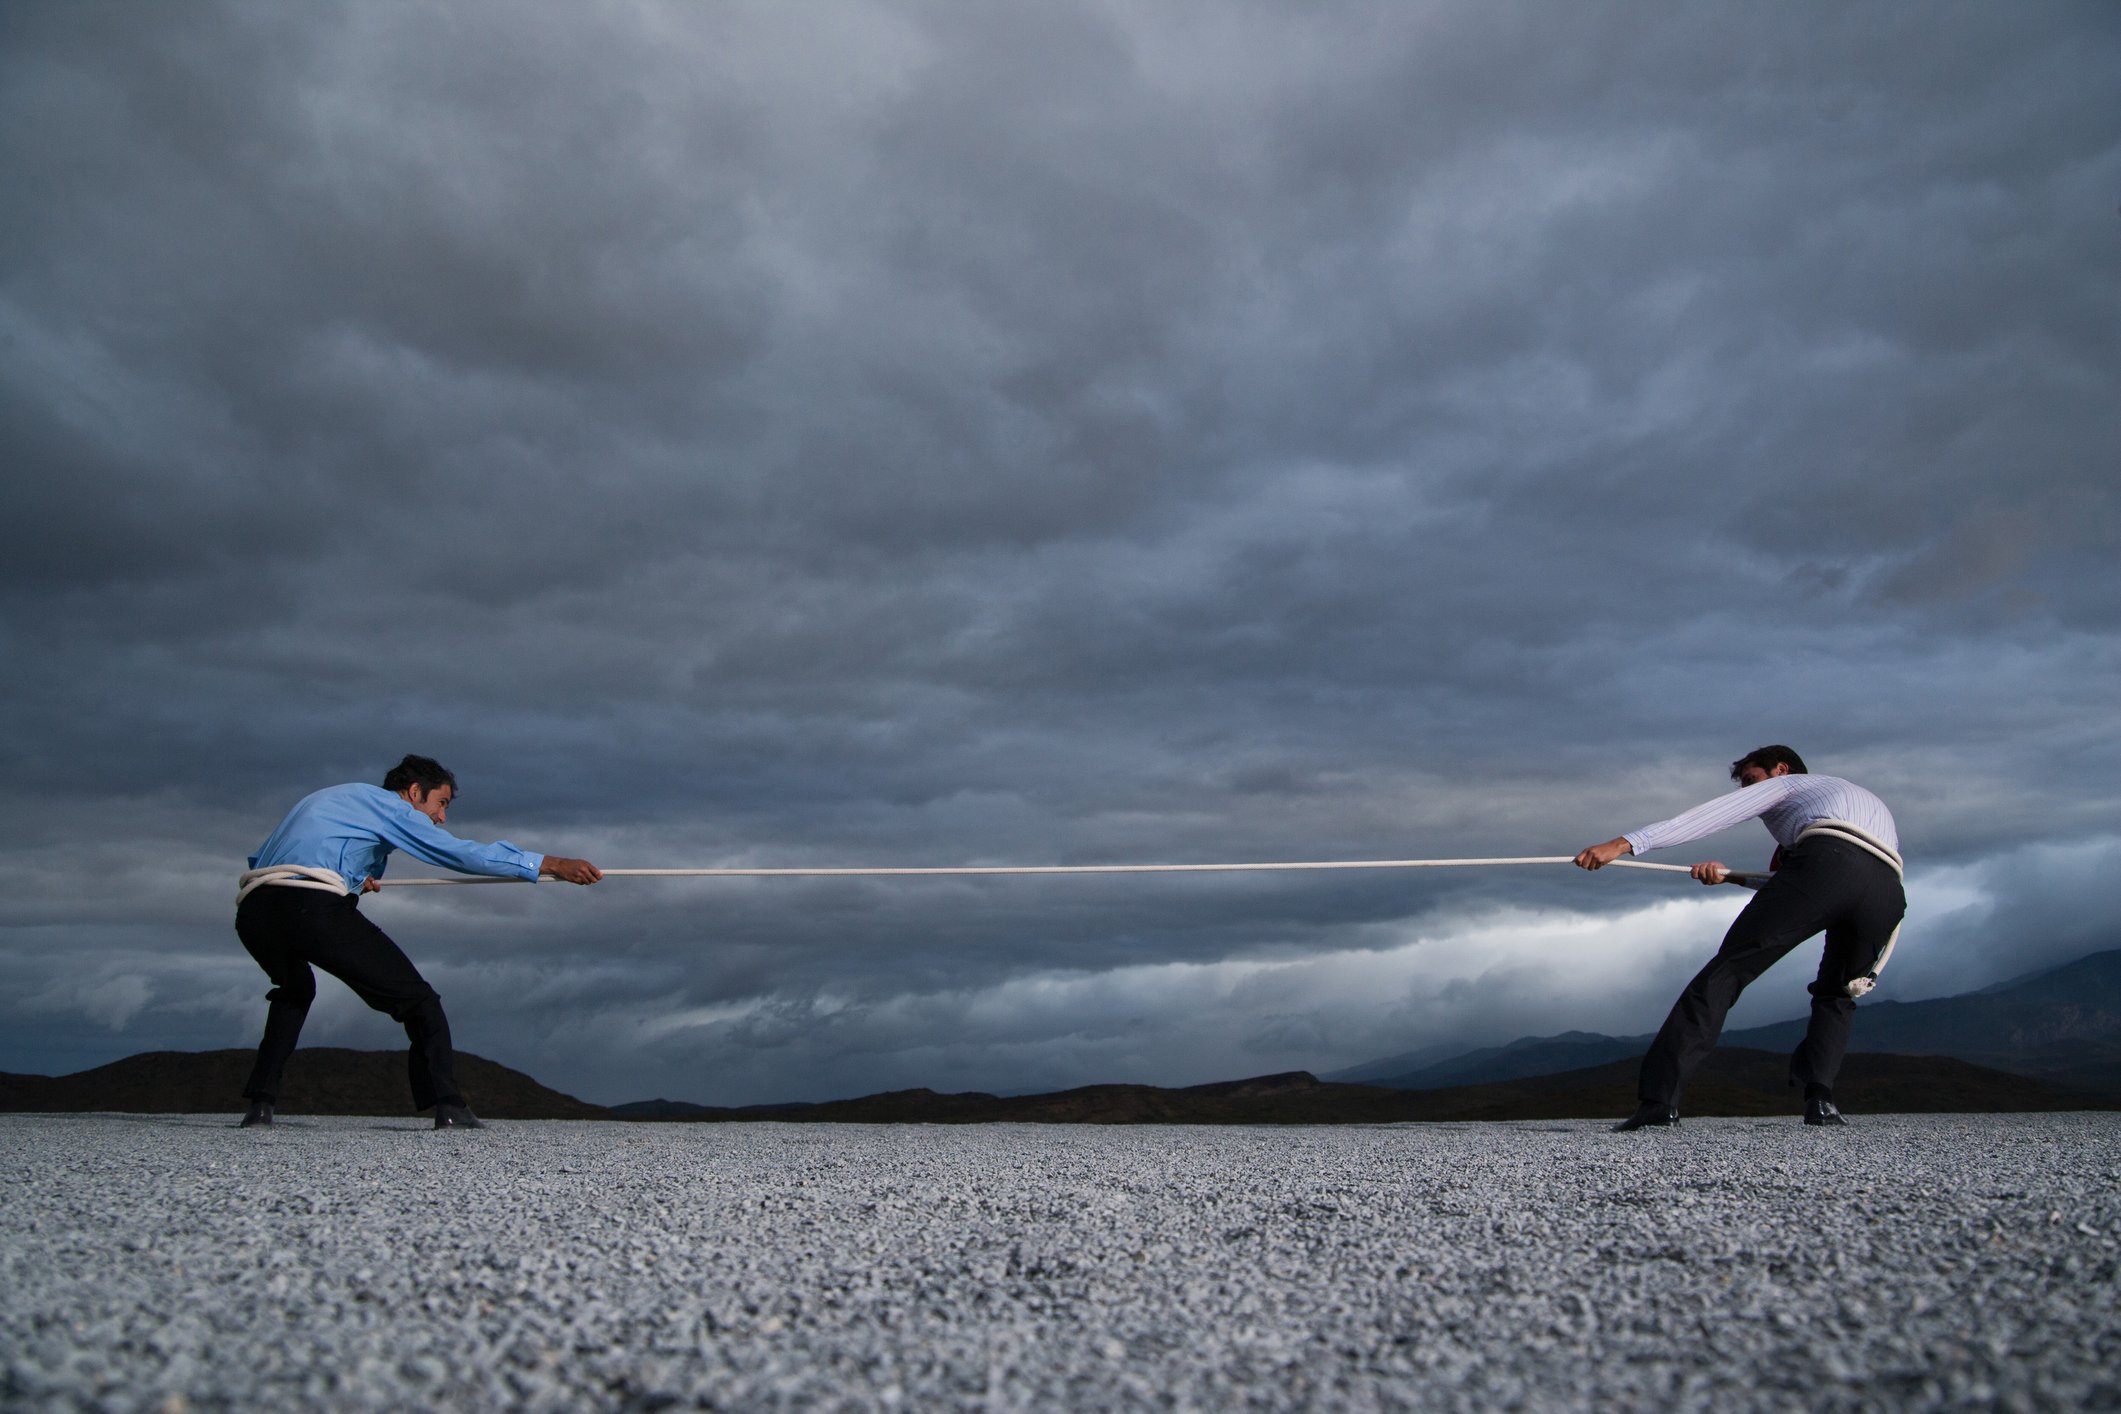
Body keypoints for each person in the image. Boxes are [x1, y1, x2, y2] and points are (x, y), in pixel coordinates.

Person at [234, 754, 602, 1129]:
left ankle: (260, 1106)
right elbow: (455, 853)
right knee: (420, 1003)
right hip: (311, 908)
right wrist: (551, 863)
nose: (442, 816)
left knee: (294, 990)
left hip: (255, 913)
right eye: (440, 803)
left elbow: (291, 857)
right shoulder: (388, 807)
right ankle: (450, 1106)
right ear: (413, 792)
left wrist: (354, 880)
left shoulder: (332, 798)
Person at [1574, 746, 1904, 1131]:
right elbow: (1793, 881)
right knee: (1837, 995)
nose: (1746, 791)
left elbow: (1711, 816)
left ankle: (1659, 1103)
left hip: (1828, 862)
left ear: (1781, 769)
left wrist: (1621, 844)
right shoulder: (1841, 800)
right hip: (1886, 891)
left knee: (1725, 974)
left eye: (1751, 781)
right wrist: (1727, 876)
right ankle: (1822, 1103)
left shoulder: (1794, 784)